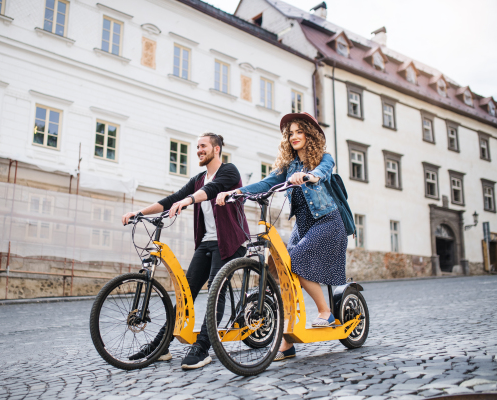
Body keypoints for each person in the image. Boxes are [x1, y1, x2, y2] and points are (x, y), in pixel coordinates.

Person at [216, 112, 347, 361]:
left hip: (327, 221)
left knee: (293, 263)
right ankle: (287, 342)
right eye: (291, 133)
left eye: (300, 131)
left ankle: (325, 311)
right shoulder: (288, 167)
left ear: (311, 134)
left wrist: (309, 175)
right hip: (304, 224)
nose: (295, 136)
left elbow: (323, 171)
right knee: (277, 270)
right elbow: (266, 183)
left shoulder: (323, 158)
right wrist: (238, 191)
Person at [121, 132, 249, 369]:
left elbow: (211, 190)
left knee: (215, 291)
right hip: (207, 243)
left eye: (203, 146)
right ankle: (161, 345)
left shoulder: (230, 171)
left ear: (217, 149)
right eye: (197, 146)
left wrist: (189, 201)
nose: (199, 150)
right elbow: (173, 199)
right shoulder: (198, 179)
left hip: (231, 242)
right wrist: (139, 213)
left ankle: (202, 348)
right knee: (185, 293)